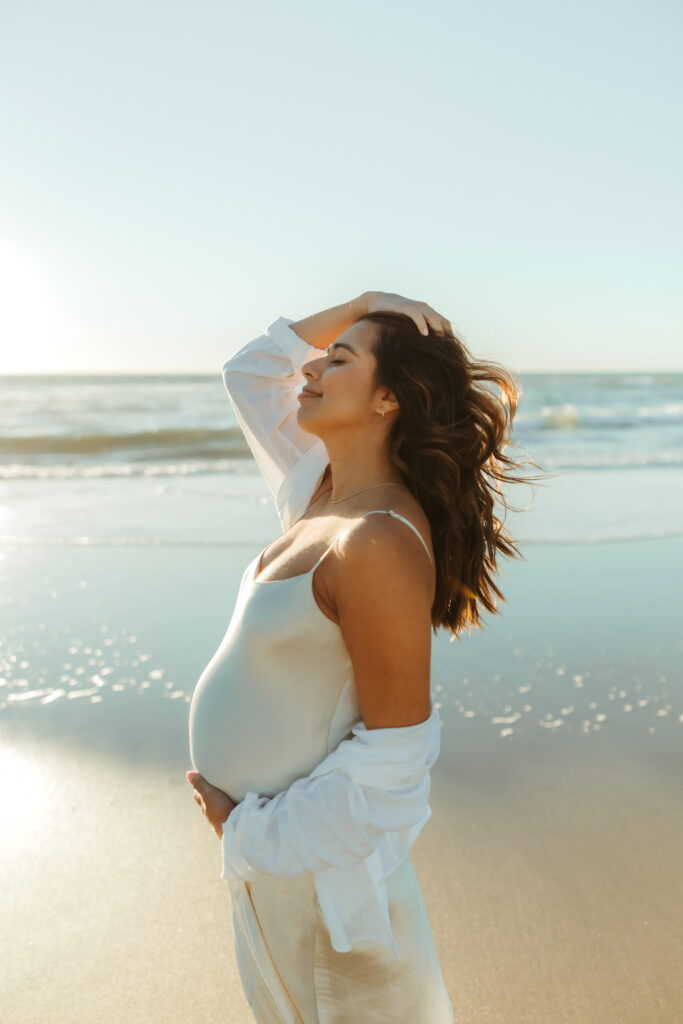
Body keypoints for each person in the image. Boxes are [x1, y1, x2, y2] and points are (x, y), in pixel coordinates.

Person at [187, 290, 535, 1022]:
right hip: (282, 871)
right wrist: (367, 303)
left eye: (340, 358)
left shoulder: (374, 538)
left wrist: (247, 834)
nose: (311, 366)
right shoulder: (317, 494)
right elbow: (250, 373)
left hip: (320, 887)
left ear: (387, 401)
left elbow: (395, 774)